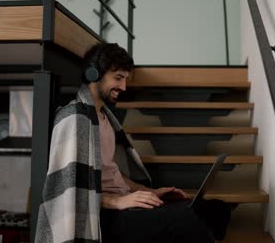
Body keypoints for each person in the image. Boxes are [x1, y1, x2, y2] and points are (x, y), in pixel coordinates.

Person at [36, 43, 230, 243]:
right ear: (94, 74)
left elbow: (114, 174)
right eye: (118, 78)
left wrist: (150, 192)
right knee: (186, 221)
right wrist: (118, 201)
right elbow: (68, 189)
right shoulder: (74, 117)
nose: (123, 87)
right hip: (102, 216)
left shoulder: (105, 117)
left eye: (125, 79)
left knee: (215, 209)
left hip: (123, 202)